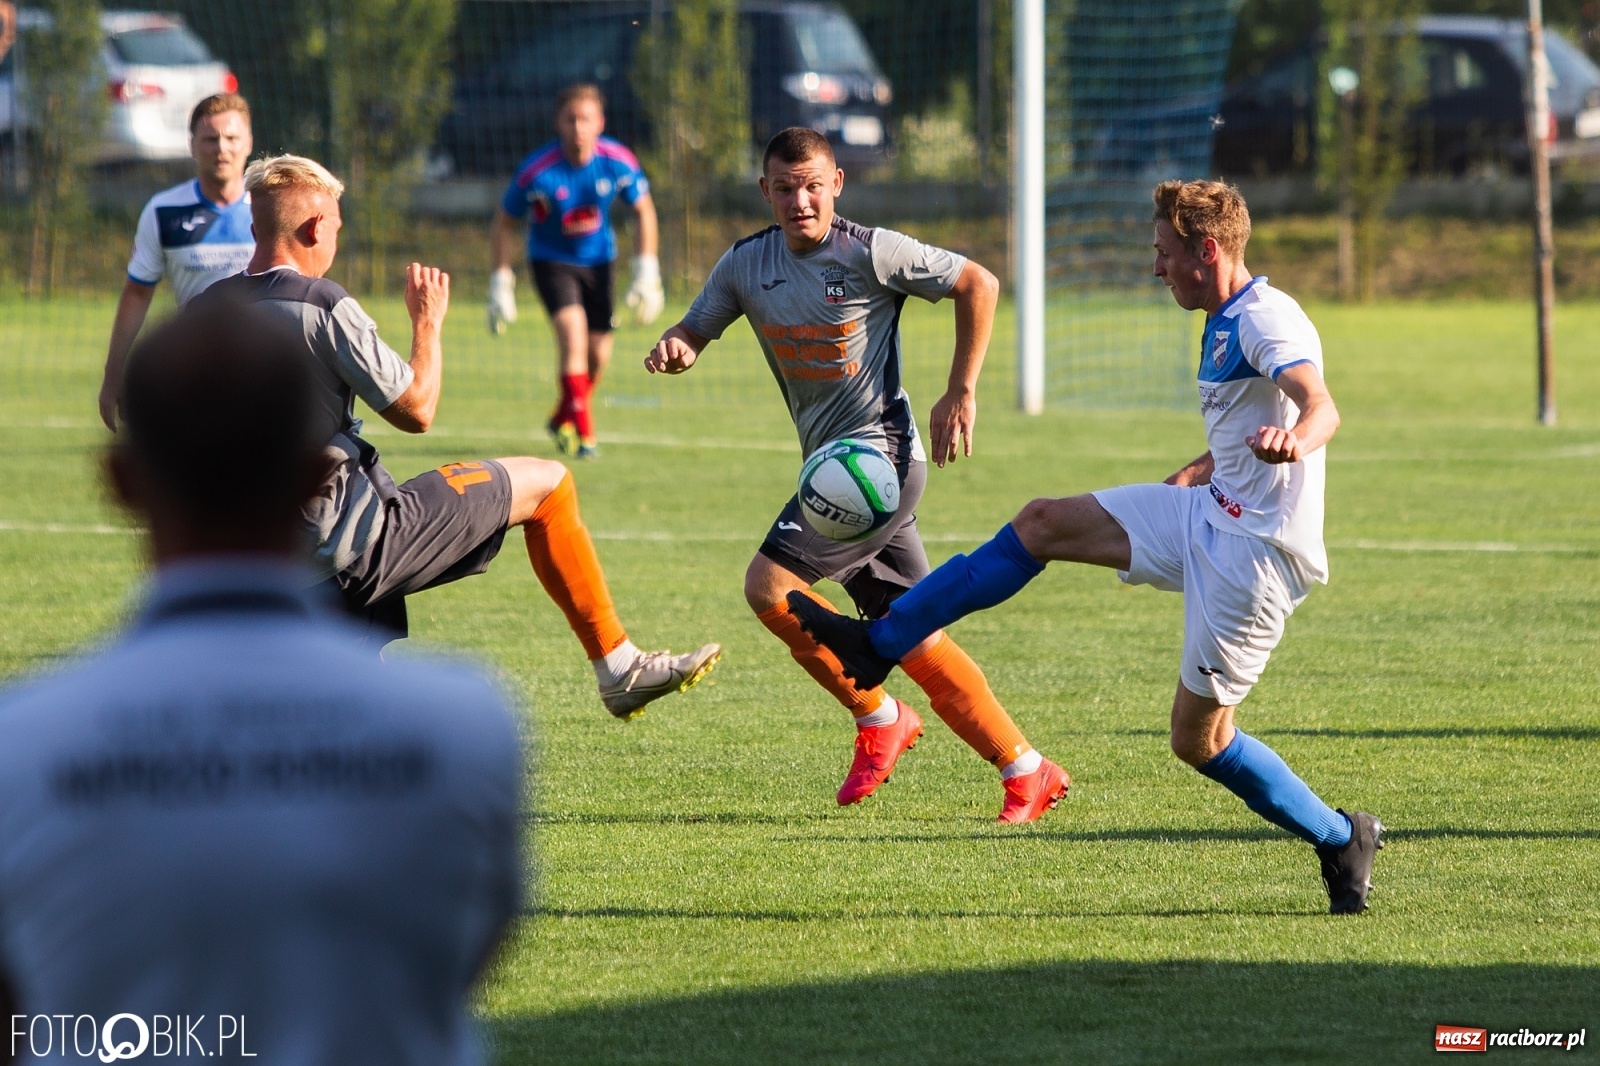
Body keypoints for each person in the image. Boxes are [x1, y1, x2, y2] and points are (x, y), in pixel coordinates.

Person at [792, 179, 1385, 914]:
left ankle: (1338, 835)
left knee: (1197, 741)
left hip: (1253, 559)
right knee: (1041, 522)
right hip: (1207, 512)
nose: (1156, 267)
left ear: (1207, 250)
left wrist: (1294, 439)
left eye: (1164, 253)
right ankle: (882, 640)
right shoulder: (1226, 312)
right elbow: (1243, 420)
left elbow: (1321, 405)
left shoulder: (1266, 320)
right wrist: (1205, 467)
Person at [0, 301, 521, 1063]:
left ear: (120, 483)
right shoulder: (461, 724)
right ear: (315, 472)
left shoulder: (24, 739)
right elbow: (460, 955)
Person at [199, 154, 719, 719]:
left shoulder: (204, 312)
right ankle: (619, 669)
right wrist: (428, 322)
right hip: (356, 542)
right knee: (549, 485)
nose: (336, 242)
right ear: (317, 226)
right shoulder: (322, 305)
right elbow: (417, 410)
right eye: (338, 228)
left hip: (268, 558)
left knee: (345, 717)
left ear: (254, 227)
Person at [645, 128, 1068, 822]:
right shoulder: (746, 264)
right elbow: (696, 329)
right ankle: (1028, 768)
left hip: (879, 464)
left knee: (768, 586)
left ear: (837, 182)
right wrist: (677, 347)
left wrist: (961, 389)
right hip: (836, 472)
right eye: (785, 187)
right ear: (766, 191)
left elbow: (978, 283)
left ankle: (877, 716)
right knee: (914, 628)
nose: (800, 200)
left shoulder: (872, 251)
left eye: (812, 185)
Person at [489, 83, 664, 459]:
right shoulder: (538, 171)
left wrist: (647, 271)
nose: (578, 128)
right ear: (558, 123)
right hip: (551, 260)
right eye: (570, 119)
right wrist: (500, 282)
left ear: (599, 123)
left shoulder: (617, 160)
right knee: (573, 338)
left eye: (585, 119)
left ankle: (562, 414)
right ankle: (586, 438)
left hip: (600, 262)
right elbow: (504, 221)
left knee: (598, 354)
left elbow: (643, 210)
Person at [97, 92, 255, 429]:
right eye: (210, 139)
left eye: (231, 138)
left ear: (249, 143)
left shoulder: (270, 209)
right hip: (195, 372)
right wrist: (113, 377)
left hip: (265, 369)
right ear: (192, 145)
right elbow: (137, 294)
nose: (221, 148)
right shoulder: (163, 211)